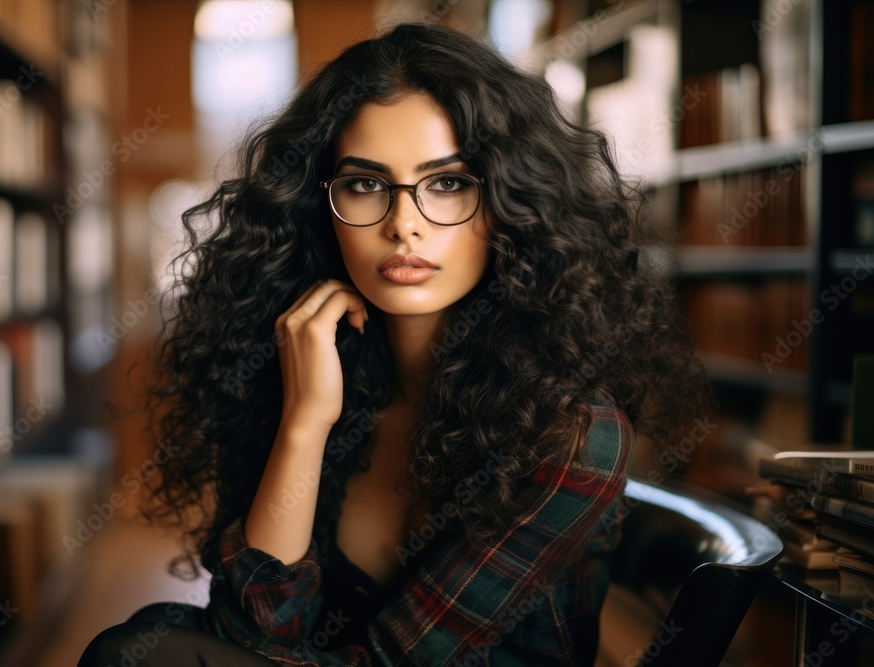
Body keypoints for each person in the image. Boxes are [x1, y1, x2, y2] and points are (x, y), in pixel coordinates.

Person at [78, 19, 709, 667]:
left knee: (139, 653)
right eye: (365, 184)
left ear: (510, 204)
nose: (404, 223)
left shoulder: (570, 431)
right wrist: (304, 420)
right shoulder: (314, 370)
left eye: (448, 183)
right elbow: (256, 635)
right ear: (319, 206)